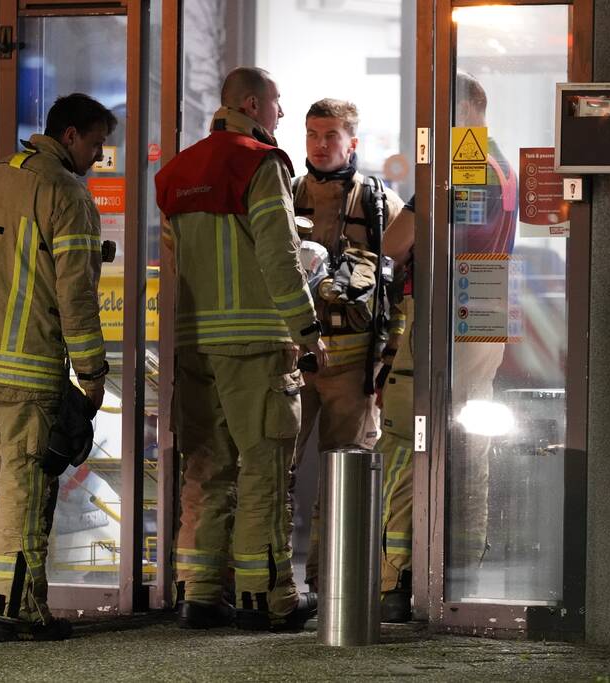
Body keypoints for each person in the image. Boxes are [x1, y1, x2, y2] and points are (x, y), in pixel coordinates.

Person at [155, 66, 327, 632]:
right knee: (263, 470)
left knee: (205, 467)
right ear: (252, 105)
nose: (281, 114)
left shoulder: (177, 171)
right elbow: (280, 254)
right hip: (254, 342)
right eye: (277, 105)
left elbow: (174, 267)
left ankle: (199, 594)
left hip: (193, 343)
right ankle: (266, 597)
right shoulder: (260, 162)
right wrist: (307, 331)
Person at [0, 93, 116, 642]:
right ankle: (18, 609)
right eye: (94, 144)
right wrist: (93, 375)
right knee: (25, 488)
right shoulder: (65, 194)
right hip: (28, 373)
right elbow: (78, 295)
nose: (98, 156)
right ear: (69, 135)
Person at [378, 70, 517, 622]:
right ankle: (459, 565)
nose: (434, 126)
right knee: (467, 446)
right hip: (484, 311)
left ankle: (400, 577)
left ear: (469, 108)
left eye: (442, 111)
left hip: (444, 315)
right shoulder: (503, 166)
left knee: (410, 434)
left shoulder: (460, 166)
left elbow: (394, 242)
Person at [290, 98, 405, 591]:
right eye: (313, 134)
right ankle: (271, 579)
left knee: (346, 473)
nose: (320, 144)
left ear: (352, 142)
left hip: (354, 362)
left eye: (331, 135)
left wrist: (389, 359)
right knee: (274, 469)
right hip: (293, 357)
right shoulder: (283, 193)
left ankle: (330, 582)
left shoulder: (380, 203)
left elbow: (399, 283)